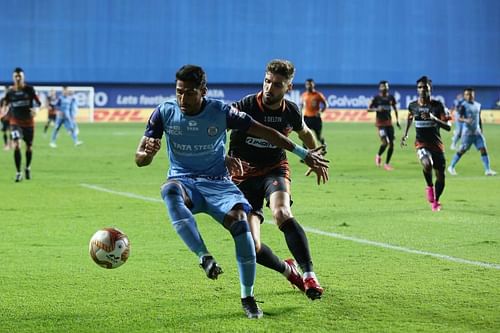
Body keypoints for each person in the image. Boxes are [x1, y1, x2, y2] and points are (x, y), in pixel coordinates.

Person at [135, 65, 328, 319]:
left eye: (277, 84)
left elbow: (280, 134)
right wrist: (146, 154)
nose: (183, 98)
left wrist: (310, 154)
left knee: (272, 217)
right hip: (230, 176)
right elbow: (142, 157)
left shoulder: (279, 110)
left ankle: (288, 282)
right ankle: (221, 259)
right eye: (179, 92)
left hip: (256, 174)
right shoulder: (174, 111)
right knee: (251, 244)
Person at [227, 59, 328, 300]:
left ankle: (309, 274)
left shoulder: (291, 111)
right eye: (267, 81)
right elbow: (217, 127)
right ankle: (288, 271)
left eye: (277, 85)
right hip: (242, 176)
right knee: (252, 246)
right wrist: (223, 157)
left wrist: (316, 156)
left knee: (282, 212)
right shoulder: (246, 106)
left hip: (274, 169)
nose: (269, 88)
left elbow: (305, 133)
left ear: (288, 87)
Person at [401, 76, 451, 211]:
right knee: (427, 163)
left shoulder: (438, 106)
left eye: (425, 87)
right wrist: (405, 134)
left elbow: (448, 126)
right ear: (417, 89)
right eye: (420, 87)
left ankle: (436, 201)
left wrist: (434, 119)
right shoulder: (413, 106)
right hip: (421, 143)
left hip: (437, 145)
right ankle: (429, 186)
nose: (423, 89)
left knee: (441, 176)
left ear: (430, 89)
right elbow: (410, 117)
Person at [3, 67, 41, 182]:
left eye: (20, 76)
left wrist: (36, 110)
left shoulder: (29, 89)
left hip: (28, 123)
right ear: (13, 78)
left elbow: (38, 103)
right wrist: (4, 111)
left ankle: (27, 167)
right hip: (15, 122)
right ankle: (18, 172)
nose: (18, 78)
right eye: (16, 76)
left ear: (23, 77)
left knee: (29, 147)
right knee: (17, 144)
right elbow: (5, 103)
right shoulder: (10, 92)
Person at [447, 87, 496, 176]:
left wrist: (481, 129)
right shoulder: (463, 106)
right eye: (467, 94)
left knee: (483, 149)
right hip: (467, 133)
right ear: (465, 96)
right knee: (462, 150)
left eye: (470, 94)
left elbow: (479, 118)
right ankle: (451, 167)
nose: (469, 96)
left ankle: (488, 170)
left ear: (473, 95)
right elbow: (459, 118)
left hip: (477, 132)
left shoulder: (478, 105)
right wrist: (466, 120)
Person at [367, 80, 400, 170]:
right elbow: (368, 109)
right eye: (382, 86)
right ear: (379, 88)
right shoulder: (376, 98)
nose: (384, 88)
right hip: (380, 124)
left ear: (388, 87)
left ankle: (387, 164)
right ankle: (378, 155)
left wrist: (397, 120)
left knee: (392, 144)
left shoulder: (391, 97)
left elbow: (395, 108)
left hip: (389, 123)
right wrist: (377, 109)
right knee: (385, 143)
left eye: (386, 86)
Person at [300, 78, 329, 153]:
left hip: (316, 119)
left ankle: (324, 146)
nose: (309, 86)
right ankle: (306, 154)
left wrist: (321, 112)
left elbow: (326, 104)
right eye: (307, 84)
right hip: (306, 118)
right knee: (305, 136)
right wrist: (301, 113)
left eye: (310, 84)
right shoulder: (303, 95)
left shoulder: (318, 95)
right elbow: (302, 106)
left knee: (318, 137)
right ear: (306, 85)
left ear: (313, 84)